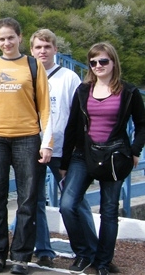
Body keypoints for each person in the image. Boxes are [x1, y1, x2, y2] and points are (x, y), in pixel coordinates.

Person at [0, 18, 52, 275]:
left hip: (27, 139)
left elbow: (45, 108)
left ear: (20, 37)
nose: (6, 42)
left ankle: (21, 257)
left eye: (10, 37)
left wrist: (47, 143)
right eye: (2, 38)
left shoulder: (33, 65)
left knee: (27, 200)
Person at [60, 42, 145, 275]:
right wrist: (65, 163)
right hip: (83, 154)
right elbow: (72, 126)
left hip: (114, 156)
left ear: (113, 62)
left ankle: (102, 262)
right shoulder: (83, 90)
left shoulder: (129, 92)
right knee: (67, 205)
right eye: (93, 62)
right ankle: (83, 254)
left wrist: (135, 150)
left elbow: (142, 124)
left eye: (103, 61)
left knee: (109, 211)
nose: (98, 65)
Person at [29, 29, 84, 268]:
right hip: (33, 146)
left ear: (55, 50)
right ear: (31, 50)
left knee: (74, 202)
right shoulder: (27, 75)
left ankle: (87, 250)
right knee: (35, 200)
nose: (43, 51)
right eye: (38, 47)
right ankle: (43, 250)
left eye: (47, 47)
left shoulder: (69, 78)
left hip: (62, 150)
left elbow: (80, 116)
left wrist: (75, 150)